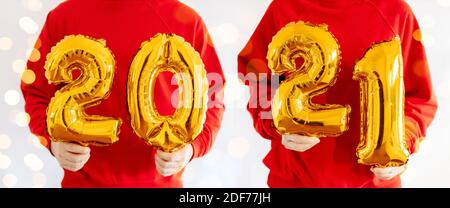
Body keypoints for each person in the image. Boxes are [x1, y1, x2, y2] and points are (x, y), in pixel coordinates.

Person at [21, 0, 225, 188]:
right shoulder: (63, 17)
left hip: (160, 184)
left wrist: (191, 149)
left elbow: (213, 96)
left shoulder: (187, 20)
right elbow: (35, 91)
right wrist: (52, 143)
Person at [238, 0, 437, 187]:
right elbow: (257, 77)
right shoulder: (284, 7)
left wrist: (403, 142)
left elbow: (419, 99)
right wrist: (273, 121)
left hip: (374, 183)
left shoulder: (396, 12)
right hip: (294, 180)